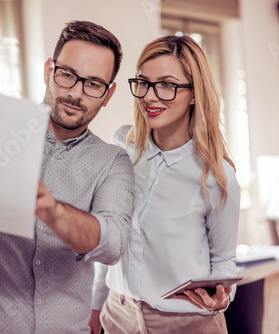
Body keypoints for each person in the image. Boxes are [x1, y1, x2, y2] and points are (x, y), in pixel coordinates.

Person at [0, 21, 135, 333]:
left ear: (108, 94)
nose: (75, 94)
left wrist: (53, 211)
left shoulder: (113, 162)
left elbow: (113, 243)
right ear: (48, 70)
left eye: (93, 84)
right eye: (67, 75)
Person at [88, 35, 240, 334]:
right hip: (117, 316)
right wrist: (95, 308)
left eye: (167, 85)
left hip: (187, 323)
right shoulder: (123, 149)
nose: (150, 96)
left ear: (194, 94)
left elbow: (224, 261)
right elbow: (111, 241)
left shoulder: (216, 175)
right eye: (143, 83)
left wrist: (222, 297)